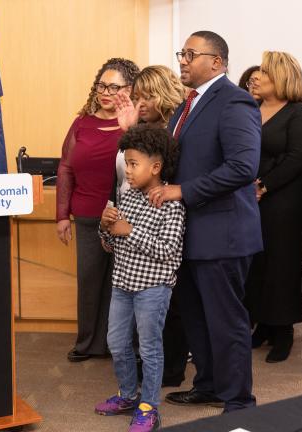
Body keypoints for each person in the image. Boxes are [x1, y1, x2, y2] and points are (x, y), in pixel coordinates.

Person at [150, 30, 262, 412]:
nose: (182, 59)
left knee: (226, 320)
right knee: (197, 318)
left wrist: (182, 191)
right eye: (181, 52)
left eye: (191, 53)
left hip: (223, 233)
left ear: (216, 62)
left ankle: (239, 400)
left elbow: (243, 167)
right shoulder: (186, 106)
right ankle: (209, 384)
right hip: (189, 234)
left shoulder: (235, 101)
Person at [95, 124, 185, 432]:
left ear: (156, 167)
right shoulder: (127, 196)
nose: (128, 171)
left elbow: (168, 250)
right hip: (122, 285)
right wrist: (106, 228)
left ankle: (148, 407)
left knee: (149, 348)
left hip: (153, 289)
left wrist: (129, 231)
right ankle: (127, 395)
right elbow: (110, 244)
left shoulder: (171, 203)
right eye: (126, 164)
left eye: (133, 164)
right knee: (117, 344)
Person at [56, 58, 140, 362]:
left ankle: (119, 345)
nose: (106, 92)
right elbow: (65, 168)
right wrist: (62, 215)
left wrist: (128, 126)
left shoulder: (134, 123)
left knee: (123, 283)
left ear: (129, 89)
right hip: (88, 217)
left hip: (125, 216)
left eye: (114, 86)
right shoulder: (82, 122)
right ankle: (88, 343)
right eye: (102, 85)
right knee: (90, 281)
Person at [114, 65, 189, 387]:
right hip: (132, 209)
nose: (140, 102)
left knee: (164, 315)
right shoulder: (138, 130)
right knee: (131, 327)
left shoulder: (177, 128)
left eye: (147, 96)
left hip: (162, 214)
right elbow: (125, 170)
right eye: (137, 96)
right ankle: (137, 378)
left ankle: (167, 372)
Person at [244, 51, 302, 363]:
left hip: (284, 202)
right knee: (256, 265)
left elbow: (297, 158)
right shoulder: (251, 108)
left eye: (265, 73)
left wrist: (264, 184)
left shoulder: (299, 113)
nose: (257, 78)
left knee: (282, 267)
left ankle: (283, 330)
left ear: (282, 78)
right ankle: (262, 325)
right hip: (250, 200)